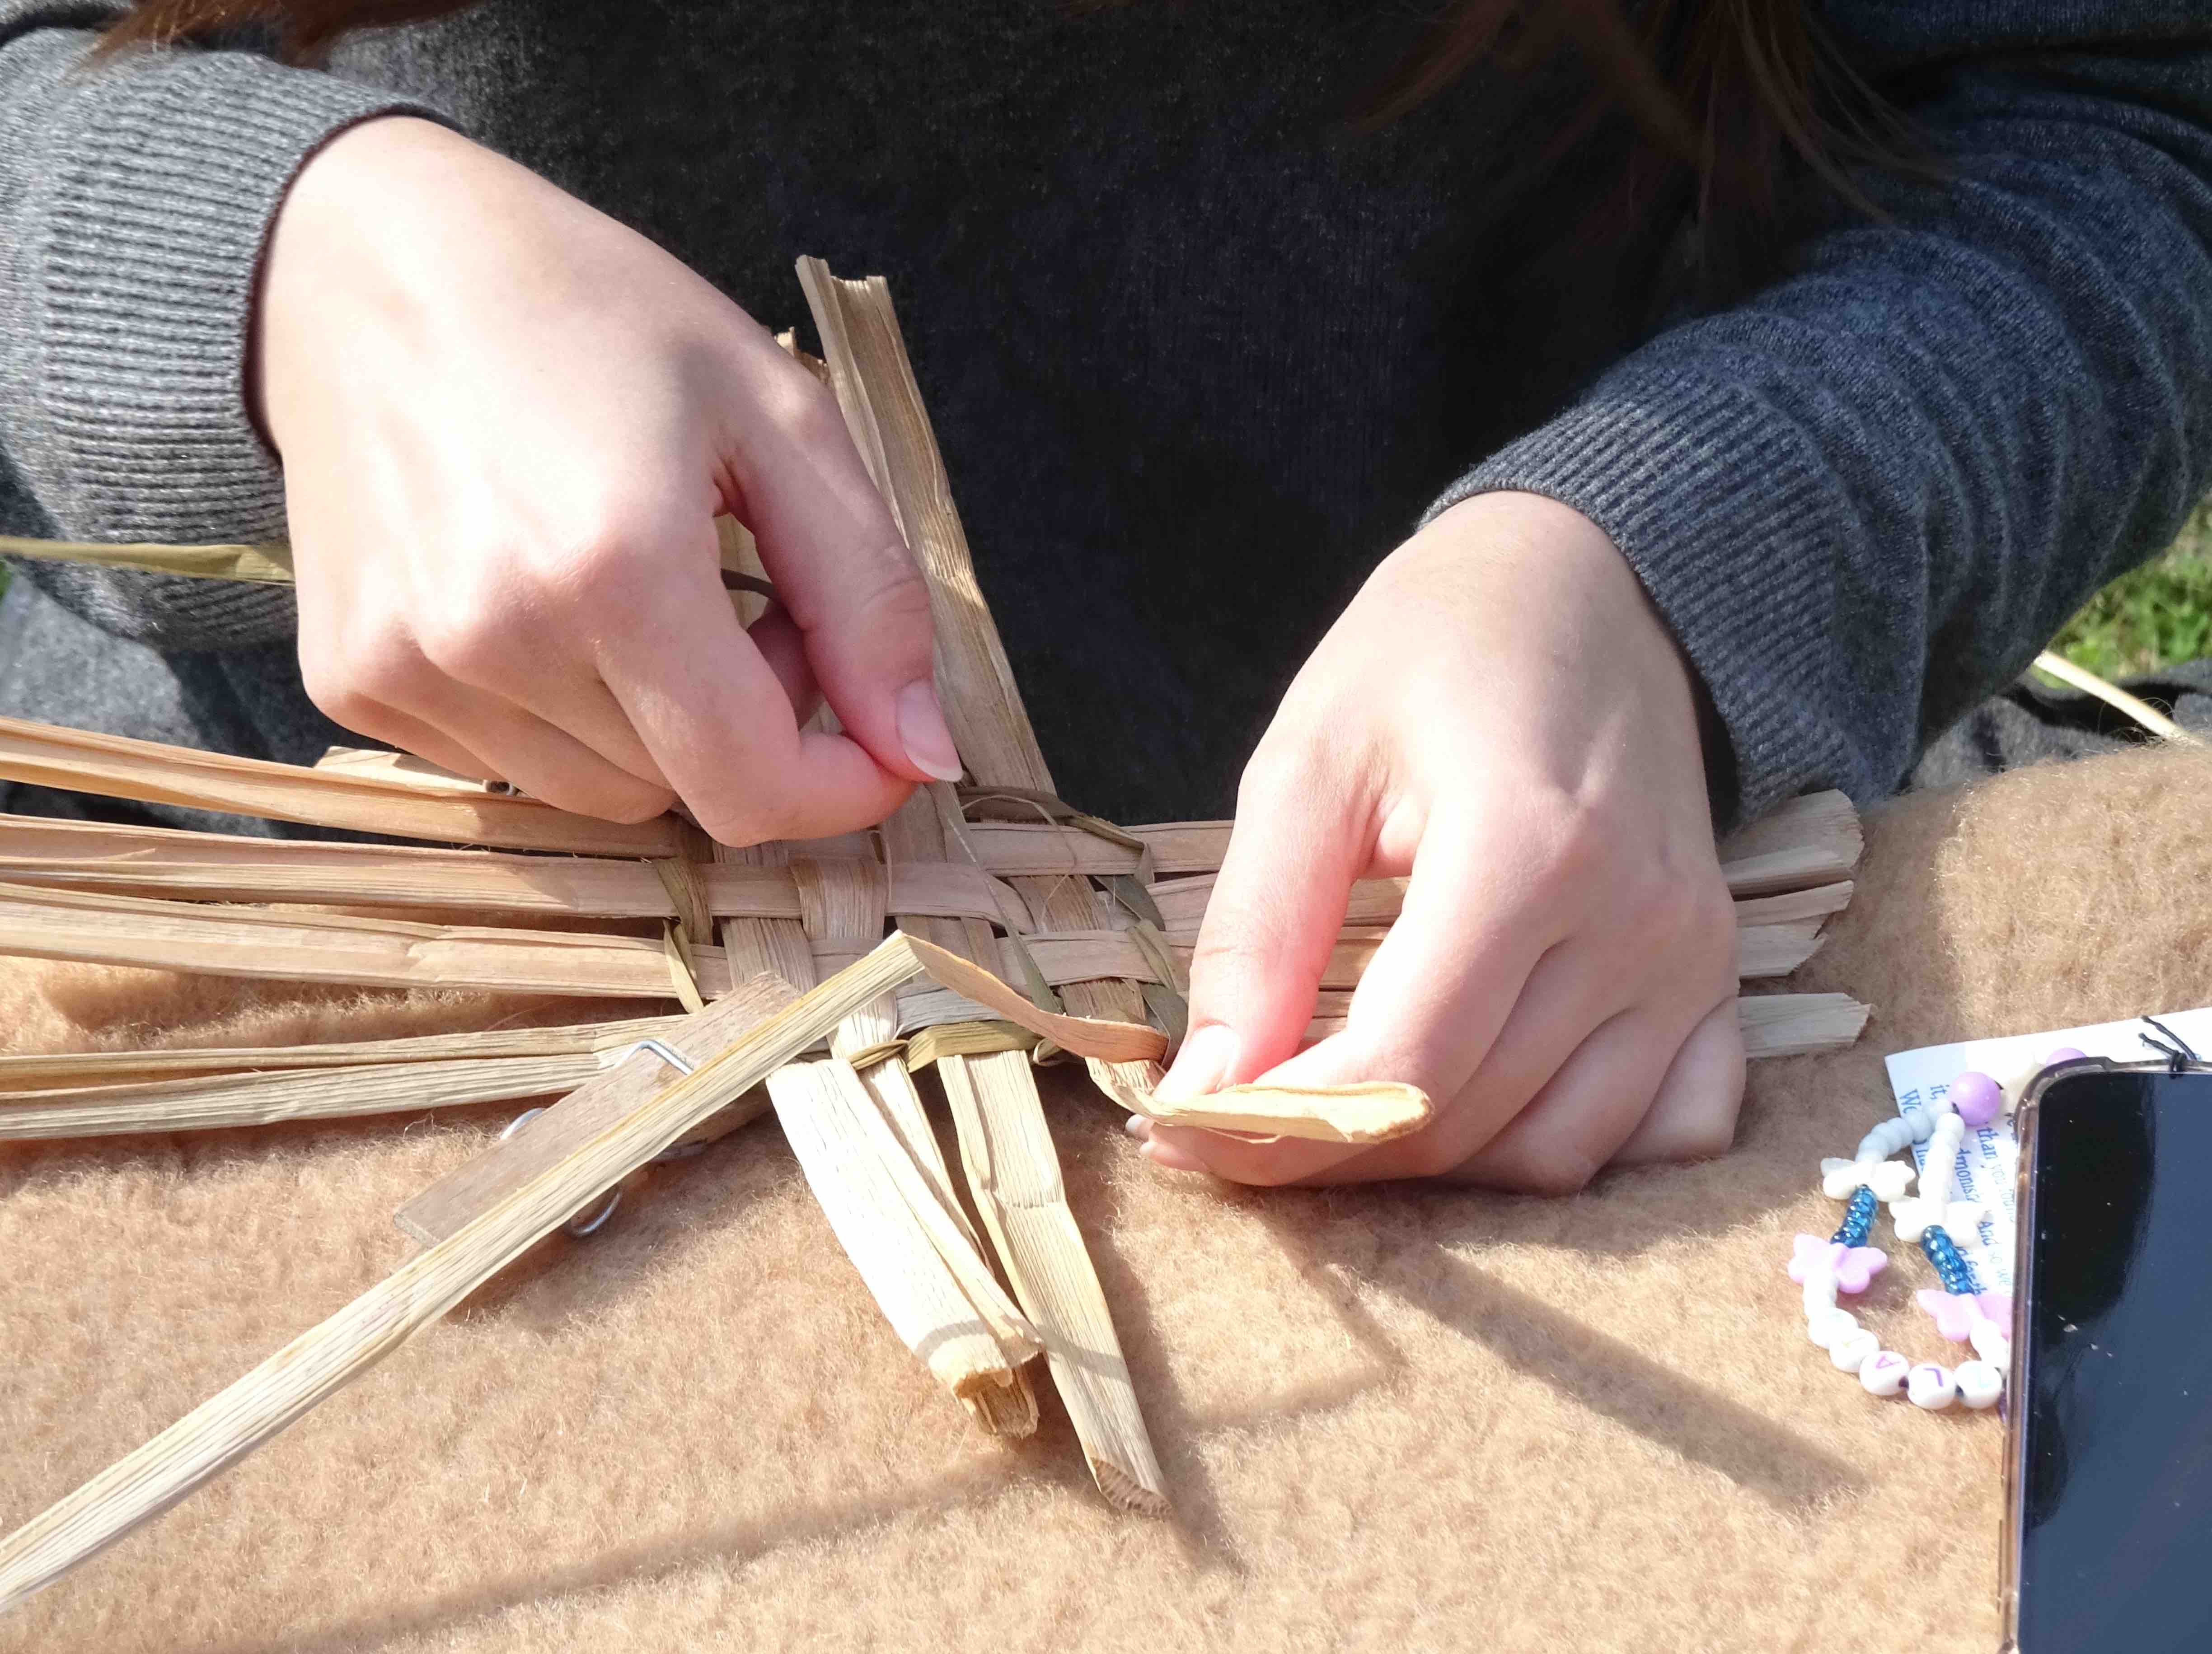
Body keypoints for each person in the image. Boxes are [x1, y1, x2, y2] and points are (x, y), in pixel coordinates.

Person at [0, 0, 2206, 1190]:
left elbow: (2117, 121)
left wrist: (1672, 537)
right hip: (306, 982)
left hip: (1484, 954)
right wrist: (278, 258)